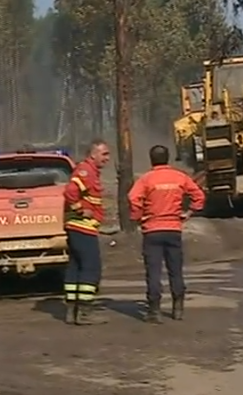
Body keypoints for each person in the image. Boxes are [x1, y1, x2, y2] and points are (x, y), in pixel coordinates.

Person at [128, 145, 206, 323]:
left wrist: (137, 217)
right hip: (173, 229)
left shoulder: (146, 179)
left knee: (153, 272)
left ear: (151, 159)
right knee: (175, 270)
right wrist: (189, 212)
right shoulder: (179, 177)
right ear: (168, 157)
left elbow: (133, 198)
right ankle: (178, 308)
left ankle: (154, 311)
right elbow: (199, 195)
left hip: (152, 231)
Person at [62, 138, 111, 325]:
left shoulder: (89, 171)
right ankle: (84, 312)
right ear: (93, 154)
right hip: (83, 227)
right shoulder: (86, 171)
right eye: (104, 154)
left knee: (75, 267)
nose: (107, 158)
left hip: (77, 228)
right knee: (91, 268)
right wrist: (81, 209)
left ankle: (71, 309)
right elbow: (70, 192)